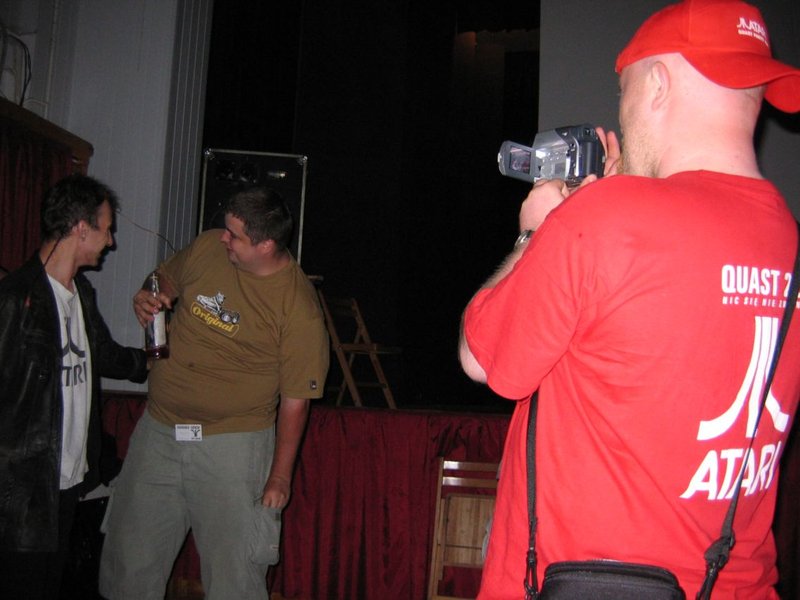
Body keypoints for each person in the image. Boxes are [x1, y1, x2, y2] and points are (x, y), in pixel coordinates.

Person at [459, 1, 800, 598]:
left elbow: (480, 358)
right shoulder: (788, 241)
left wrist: (539, 232)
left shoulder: (604, 222)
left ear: (658, 84)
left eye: (625, 91)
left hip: (580, 583)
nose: (621, 109)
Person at [99, 187, 329, 600]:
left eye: (234, 235)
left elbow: (297, 401)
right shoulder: (209, 247)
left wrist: (280, 476)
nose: (223, 238)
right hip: (158, 432)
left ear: (265, 245)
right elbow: (164, 276)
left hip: (232, 446)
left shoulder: (298, 307)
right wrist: (150, 293)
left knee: (234, 579)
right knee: (129, 563)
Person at [0, 174, 149, 600]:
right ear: (82, 228)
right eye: (107, 229)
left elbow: (104, 353)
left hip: (66, 481)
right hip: (22, 492)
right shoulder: (15, 299)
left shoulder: (80, 292)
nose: (111, 242)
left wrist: (157, 359)